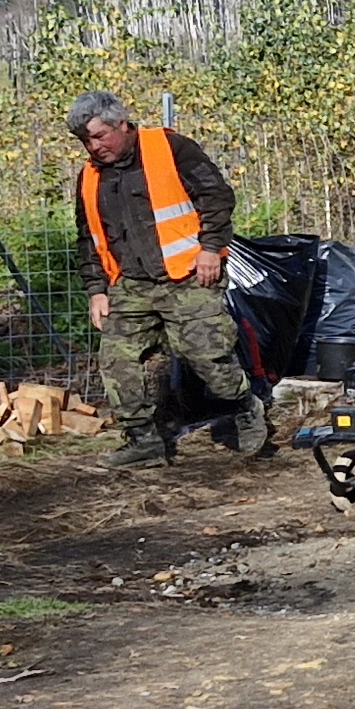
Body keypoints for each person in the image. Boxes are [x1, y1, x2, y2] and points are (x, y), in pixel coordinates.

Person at [66, 90, 265, 468]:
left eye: (99, 136)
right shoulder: (89, 178)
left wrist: (211, 248)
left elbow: (216, 197)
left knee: (208, 357)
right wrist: (96, 290)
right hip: (131, 285)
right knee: (116, 361)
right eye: (85, 141)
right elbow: (88, 238)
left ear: (122, 124)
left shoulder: (171, 149)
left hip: (189, 277)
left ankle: (244, 406)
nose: (93, 147)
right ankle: (143, 441)